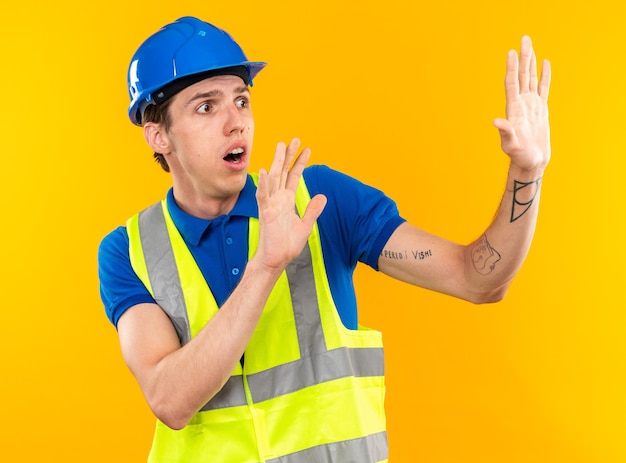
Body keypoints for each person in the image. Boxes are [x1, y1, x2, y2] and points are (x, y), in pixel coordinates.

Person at [98, 16, 551, 463]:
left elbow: (478, 279)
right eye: (206, 107)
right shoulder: (131, 250)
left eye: (241, 100)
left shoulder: (320, 200)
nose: (236, 123)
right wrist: (266, 266)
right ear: (158, 136)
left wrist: (526, 172)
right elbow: (170, 401)